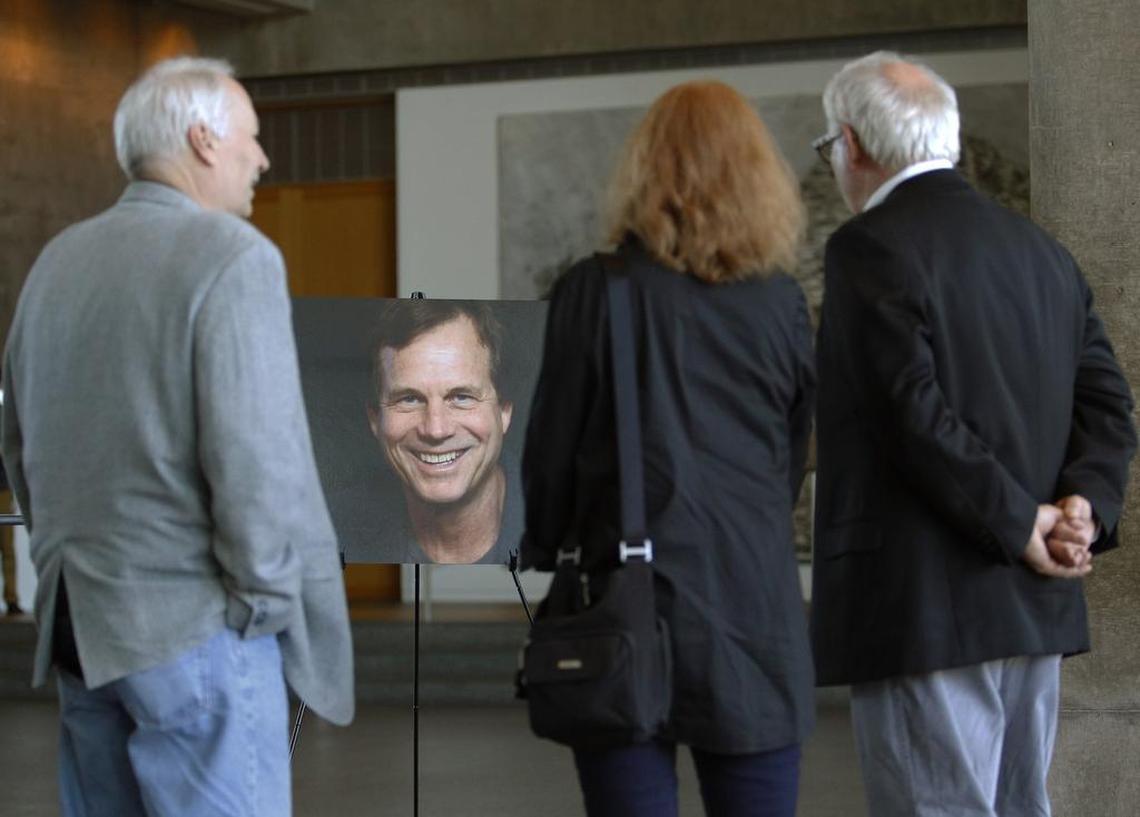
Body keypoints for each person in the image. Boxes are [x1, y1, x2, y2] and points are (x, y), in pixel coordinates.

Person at [1, 57, 354, 816]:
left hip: (81, 631)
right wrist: (265, 602)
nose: (262, 158)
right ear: (202, 139)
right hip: (195, 628)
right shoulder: (234, 256)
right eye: (250, 137)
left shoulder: (55, 263)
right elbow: (256, 457)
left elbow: (18, 444)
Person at [810, 51, 1137, 817]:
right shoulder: (1042, 253)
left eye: (829, 147)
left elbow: (909, 413)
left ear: (851, 143)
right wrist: (1082, 506)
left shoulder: (868, 245)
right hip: (1035, 603)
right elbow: (1109, 403)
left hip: (925, 604)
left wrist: (1020, 522)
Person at [521, 80, 816, 817]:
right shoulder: (781, 303)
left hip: (625, 602)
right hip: (755, 606)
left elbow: (551, 453)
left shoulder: (595, 290)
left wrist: (545, 543)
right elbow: (790, 454)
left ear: (644, 170)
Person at [368, 300, 514, 564]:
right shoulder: (325, 529)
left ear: (504, 412)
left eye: (461, 397)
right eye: (410, 399)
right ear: (375, 420)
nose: (436, 430)